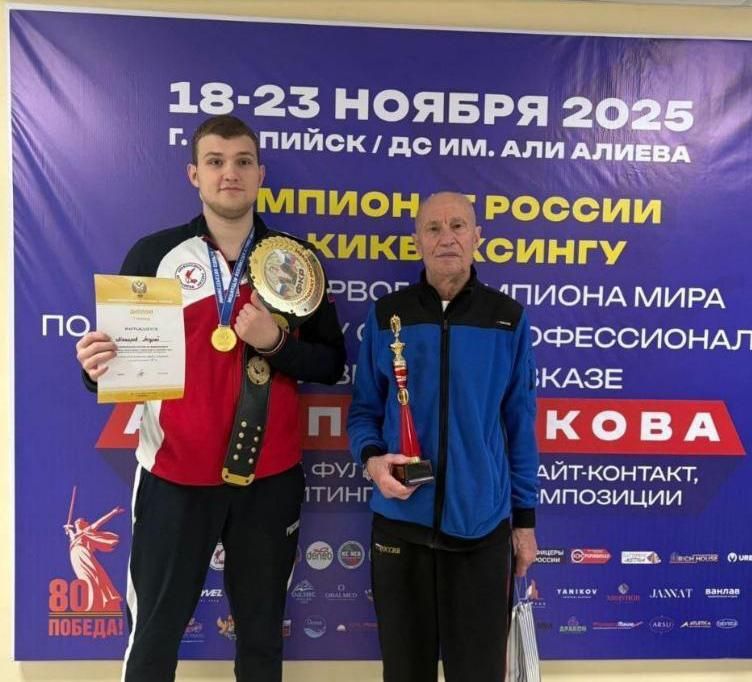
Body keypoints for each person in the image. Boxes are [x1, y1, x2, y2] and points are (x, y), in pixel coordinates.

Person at [75, 115, 345, 682]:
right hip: (174, 478)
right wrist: (96, 370)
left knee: (262, 641)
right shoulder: (155, 254)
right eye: (216, 162)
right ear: (194, 174)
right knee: (153, 638)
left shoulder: (295, 262)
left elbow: (331, 362)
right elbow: (119, 368)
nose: (230, 174)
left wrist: (275, 343)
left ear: (261, 174)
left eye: (243, 161)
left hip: (269, 481)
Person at [347, 191, 539, 682]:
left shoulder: (507, 318)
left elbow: (520, 425)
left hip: (482, 531)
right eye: (433, 228)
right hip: (400, 526)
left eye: (458, 226)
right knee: (404, 672)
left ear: (478, 237)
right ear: (417, 240)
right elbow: (364, 411)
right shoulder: (388, 314)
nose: (446, 237)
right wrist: (372, 460)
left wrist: (524, 522)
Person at [63, 505, 125, 612]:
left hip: (84, 553)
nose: (77, 522)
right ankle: (91, 601)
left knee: (93, 574)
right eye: (77, 522)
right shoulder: (75, 536)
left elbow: (100, 522)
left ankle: (100, 600)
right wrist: (68, 530)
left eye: (80, 521)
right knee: (83, 577)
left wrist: (113, 512)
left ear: (84, 524)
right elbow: (72, 537)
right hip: (75, 556)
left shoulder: (87, 530)